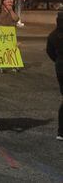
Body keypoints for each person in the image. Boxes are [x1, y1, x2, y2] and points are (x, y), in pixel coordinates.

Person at [45, 11, 63, 141]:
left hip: (60, 68)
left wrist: (58, 60)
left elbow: (50, 52)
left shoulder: (53, 35)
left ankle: (61, 131)